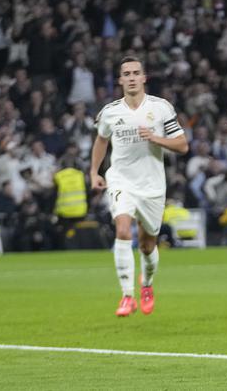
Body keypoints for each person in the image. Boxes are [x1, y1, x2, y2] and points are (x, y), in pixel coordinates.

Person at [90, 56, 188, 317]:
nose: (131, 78)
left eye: (136, 73)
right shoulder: (110, 112)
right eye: (126, 74)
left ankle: (146, 285)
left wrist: (155, 138)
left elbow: (182, 145)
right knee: (122, 229)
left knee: (147, 246)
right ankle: (126, 296)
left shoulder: (161, 108)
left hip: (152, 186)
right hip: (121, 179)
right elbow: (101, 140)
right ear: (120, 80)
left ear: (144, 78)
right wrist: (94, 172)